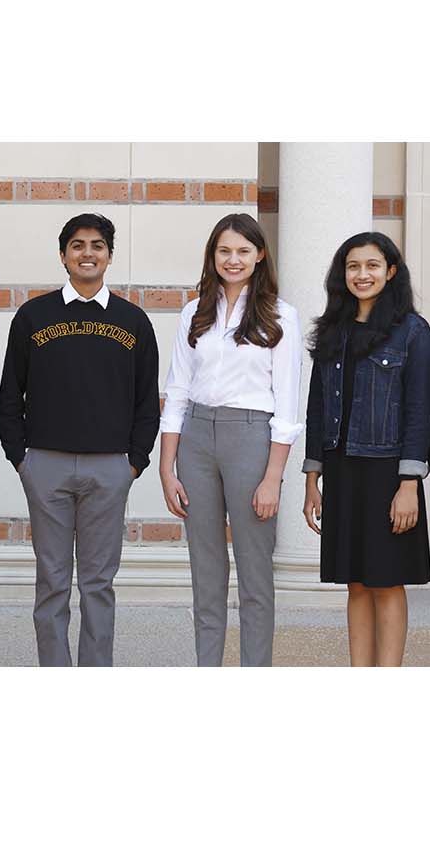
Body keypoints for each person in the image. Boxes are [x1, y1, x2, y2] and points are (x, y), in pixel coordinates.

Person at [0, 213, 161, 666]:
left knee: (98, 583)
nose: (87, 253)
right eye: (77, 245)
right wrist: (21, 459)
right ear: (63, 255)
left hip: (109, 467)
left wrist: (134, 462)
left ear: (109, 255)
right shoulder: (34, 316)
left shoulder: (133, 321)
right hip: (45, 465)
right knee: (51, 579)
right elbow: (10, 393)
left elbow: (147, 401)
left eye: (96, 245)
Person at [159, 213, 302, 667]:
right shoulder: (193, 312)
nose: (233, 259)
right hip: (196, 441)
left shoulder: (281, 316)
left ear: (259, 255)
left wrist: (273, 478)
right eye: (225, 251)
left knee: (255, 572)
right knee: (206, 571)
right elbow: (178, 389)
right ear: (213, 256)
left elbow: (288, 404)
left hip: (252, 440)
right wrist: (167, 467)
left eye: (243, 251)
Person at [300, 232, 430, 667]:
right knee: (355, 582)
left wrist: (409, 484)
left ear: (390, 271)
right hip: (342, 470)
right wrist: (312, 478)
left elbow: (419, 410)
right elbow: (317, 406)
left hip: (388, 473)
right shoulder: (333, 330)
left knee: (387, 581)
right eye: (353, 266)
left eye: (372, 265)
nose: (362, 274)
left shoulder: (412, 331)